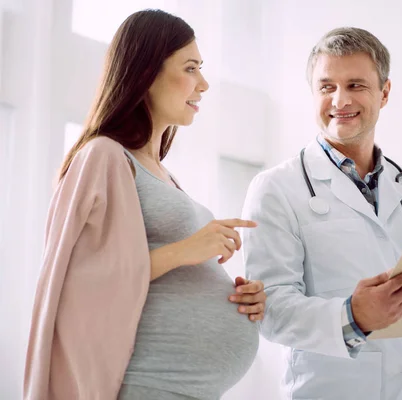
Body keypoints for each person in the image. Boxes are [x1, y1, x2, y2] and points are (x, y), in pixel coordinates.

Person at [24, 9, 264, 400]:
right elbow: (73, 282)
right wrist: (186, 251)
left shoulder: (163, 175)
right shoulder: (102, 155)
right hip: (146, 384)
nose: (203, 84)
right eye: (190, 68)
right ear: (147, 72)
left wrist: (239, 299)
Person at [241, 27, 402, 400]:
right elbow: (271, 309)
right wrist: (353, 317)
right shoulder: (276, 188)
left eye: (356, 85)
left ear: (384, 93)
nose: (340, 100)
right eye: (327, 87)